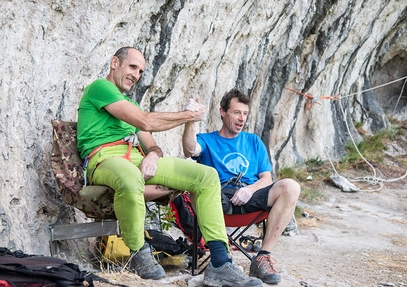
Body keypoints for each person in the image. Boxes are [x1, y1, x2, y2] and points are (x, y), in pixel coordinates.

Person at [77, 47, 262, 287]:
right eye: (132, 67)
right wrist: (188, 116)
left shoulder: (128, 103)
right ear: (115, 63)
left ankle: (219, 262)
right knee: (131, 177)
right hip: (102, 160)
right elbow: (145, 120)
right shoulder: (100, 88)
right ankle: (137, 252)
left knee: (205, 176)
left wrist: (152, 156)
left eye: (141, 71)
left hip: (133, 158)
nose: (136, 74)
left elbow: (151, 144)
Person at [182, 88, 301, 284]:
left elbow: (266, 178)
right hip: (217, 198)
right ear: (222, 112)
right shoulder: (207, 140)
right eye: (237, 112)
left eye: (245, 114)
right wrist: (190, 120)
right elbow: (190, 149)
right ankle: (222, 258)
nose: (241, 118)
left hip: (251, 195)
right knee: (196, 189)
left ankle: (262, 257)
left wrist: (249, 190)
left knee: (291, 187)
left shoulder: (253, 141)